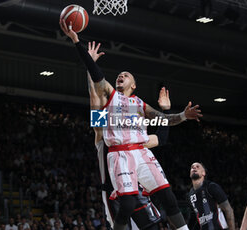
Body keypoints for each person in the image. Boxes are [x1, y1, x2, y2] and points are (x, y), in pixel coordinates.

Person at [60, 21, 202, 230]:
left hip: (139, 181)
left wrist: (169, 110)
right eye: (120, 74)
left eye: (126, 75)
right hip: (113, 185)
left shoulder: (139, 111)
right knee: (126, 207)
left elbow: (160, 138)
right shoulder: (104, 122)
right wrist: (82, 51)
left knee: (163, 206)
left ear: (134, 85)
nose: (121, 75)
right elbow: (95, 97)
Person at [89, 67, 171, 229]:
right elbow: (95, 100)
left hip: (137, 192)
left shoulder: (137, 141)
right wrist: (90, 70)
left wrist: (165, 111)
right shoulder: (104, 135)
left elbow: (161, 138)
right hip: (114, 194)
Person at [188, 162, 235, 230]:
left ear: (203, 173)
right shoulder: (190, 194)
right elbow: (194, 218)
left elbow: (228, 210)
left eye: (197, 166)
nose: (194, 168)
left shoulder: (211, 187)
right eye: (192, 167)